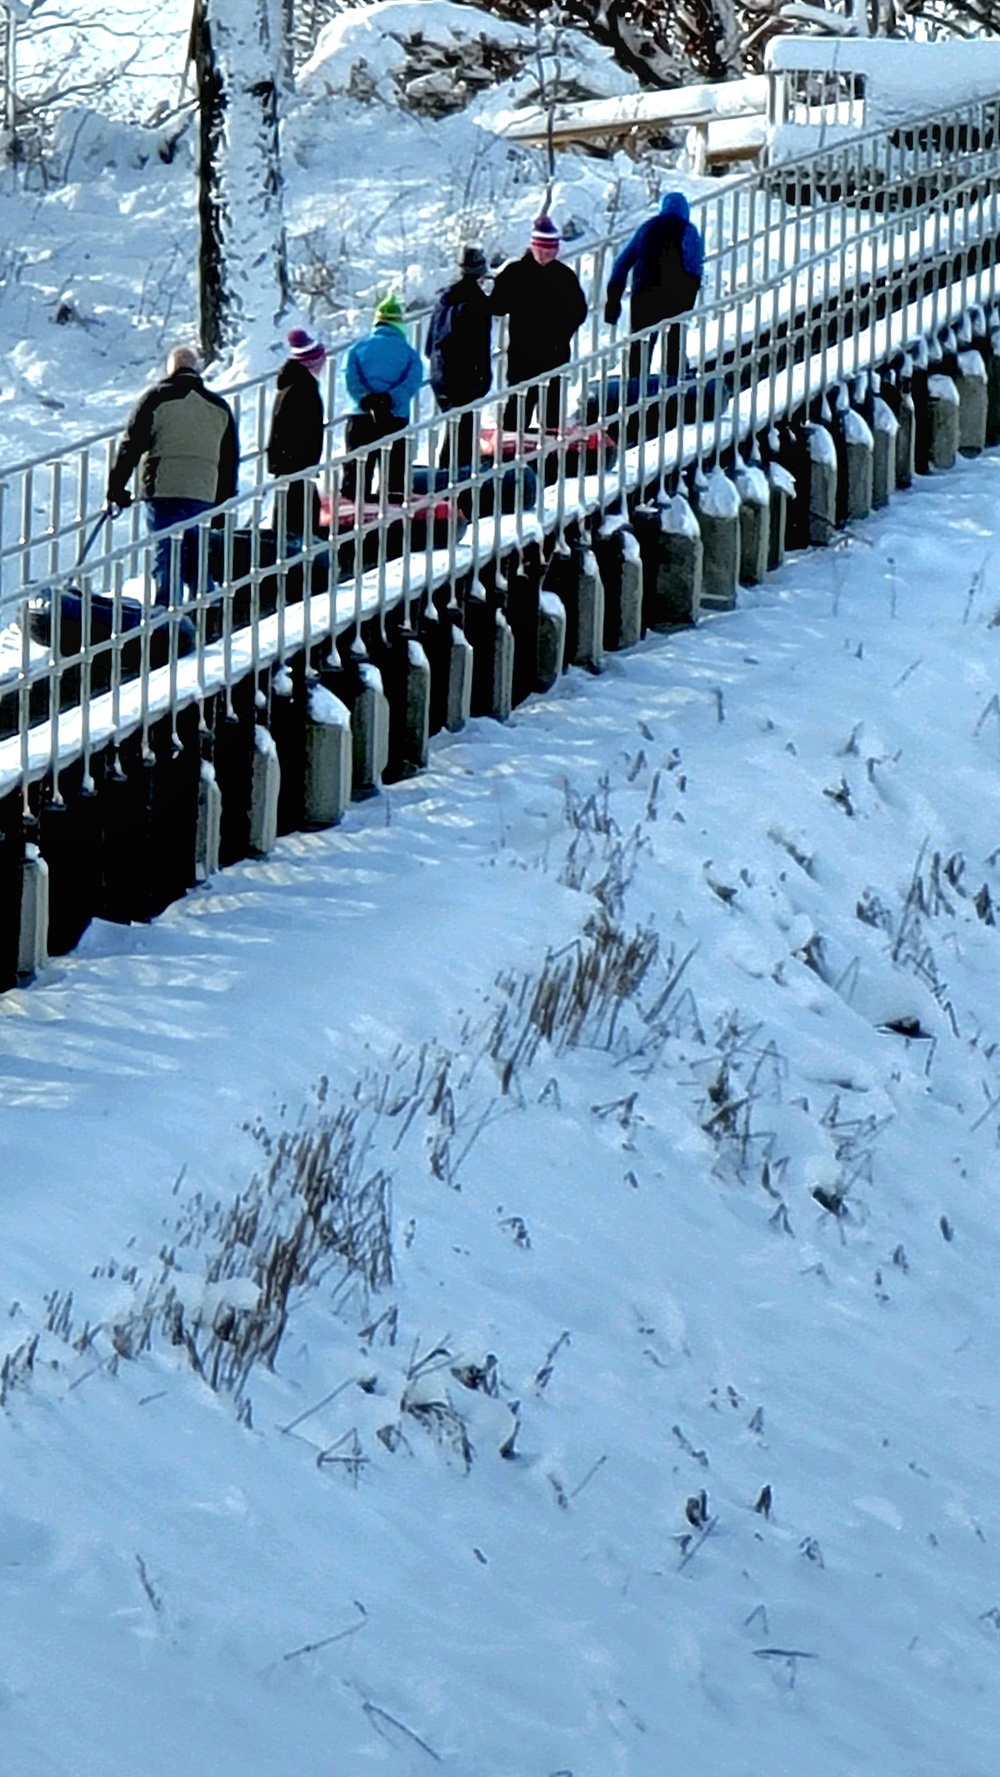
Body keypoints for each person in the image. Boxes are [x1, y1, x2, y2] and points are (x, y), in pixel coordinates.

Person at [107, 344, 238, 607]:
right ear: (196, 369)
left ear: (171, 370)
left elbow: (131, 445)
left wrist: (116, 488)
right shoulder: (218, 407)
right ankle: (208, 608)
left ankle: (169, 613)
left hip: (164, 488)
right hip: (203, 492)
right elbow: (229, 461)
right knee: (197, 553)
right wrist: (222, 503)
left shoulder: (156, 398)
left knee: (167, 554)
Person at [489, 213, 587, 431]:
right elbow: (497, 306)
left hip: (555, 351)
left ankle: (550, 452)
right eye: (542, 250)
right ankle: (511, 449)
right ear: (532, 246)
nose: (546, 255)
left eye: (551, 250)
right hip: (523, 352)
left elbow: (578, 310)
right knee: (518, 405)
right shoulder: (515, 272)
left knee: (551, 409)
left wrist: (561, 333)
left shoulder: (564, 276)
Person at [604, 191, 704, 385]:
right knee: (674, 339)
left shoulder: (646, 229)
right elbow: (695, 265)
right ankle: (674, 384)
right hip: (677, 296)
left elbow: (621, 264)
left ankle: (634, 389)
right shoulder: (688, 229)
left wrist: (613, 301)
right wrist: (691, 293)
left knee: (640, 344)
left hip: (644, 294)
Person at [343, 294, 423, 501]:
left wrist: (367, 398)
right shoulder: (408, 353)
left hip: (361, 416)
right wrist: (389, 399)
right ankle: (392, 511)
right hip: (394, 416)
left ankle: (352, 511)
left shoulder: (357, 349)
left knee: (358, 469)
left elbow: (351, 378)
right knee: (394, 470)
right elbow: (412, 382)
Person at [425, 245, 493, 470]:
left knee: (455, 425)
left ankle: (452, 472)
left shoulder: (444, 300)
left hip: (440, 374)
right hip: (465, 377)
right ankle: (454, 477)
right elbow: (479, 346)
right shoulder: (478, 303)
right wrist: (483, 379)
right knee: (463, 429)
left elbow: (429, 343)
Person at [266, 326, 326, 539]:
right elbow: (293, 430)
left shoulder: (296, 385)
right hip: (296, 465)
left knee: (294, 513)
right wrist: (295, 462)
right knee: (297, 519)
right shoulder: (302, 389)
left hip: (293, 465)